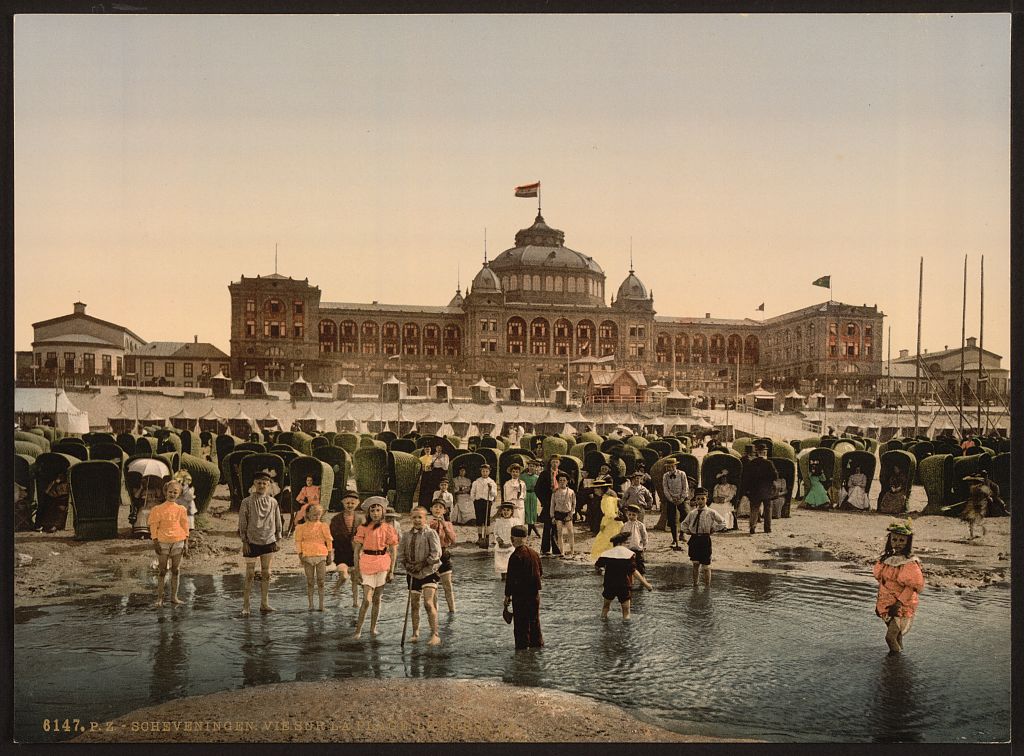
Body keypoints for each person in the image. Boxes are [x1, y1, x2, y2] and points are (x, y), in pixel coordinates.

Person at [873, 519, 925, 654]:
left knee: (889, 638)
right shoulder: (886, 560)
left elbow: (911, 587)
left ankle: (894, 665)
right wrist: (878, 603)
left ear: (908, 542)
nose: (898, 543)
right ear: (890, 540)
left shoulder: (909, 563)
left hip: (901, 603)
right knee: (897, 636)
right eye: (894, 540)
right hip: (886, 601)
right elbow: (882, 582)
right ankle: (900, 659)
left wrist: (898, 604)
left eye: (902, 541)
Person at [352, 496, 399, 639]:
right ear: (369, 513)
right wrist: (356, 570)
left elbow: (393, 549)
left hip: (382, 563)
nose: (375, 513)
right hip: (366, 563)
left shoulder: (388, 528)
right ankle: (358, 631)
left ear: (382, 512)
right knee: (366, 600)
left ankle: (373, 629)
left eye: (378, 510)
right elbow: (356, 551)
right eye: (372, 510)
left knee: (377, 599)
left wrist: (391, 570)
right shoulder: (363, 528)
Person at [238, 470, 284, 616]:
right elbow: (242, 522)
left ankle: (264, 603)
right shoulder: (246, 502)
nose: (262, 485)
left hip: (269, 540)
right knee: (250, 574)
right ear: (254, 484)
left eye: (265, 483)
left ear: (269, 485)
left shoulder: (273, 501)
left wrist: (278, 537)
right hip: (251, 541)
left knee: (267, 573)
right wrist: (244, 541)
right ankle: (246, 605)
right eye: (259, 483)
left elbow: (278, 521)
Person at [399, 506, 443, 645]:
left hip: (429, 571)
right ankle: (415, 633)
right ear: (411, 518)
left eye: (420, 517)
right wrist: (407, 565)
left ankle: (435, 634)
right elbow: (401, 554)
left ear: (425, 519)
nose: (417, 520)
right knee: (414, 604)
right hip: (412, 573)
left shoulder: (431, 533)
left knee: (428, 603)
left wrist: (422, 564)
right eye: (414, 517)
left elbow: (436, 554)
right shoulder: (406, 535)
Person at [149, 479, 190, 607]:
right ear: (165, 492)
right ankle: (160, 598)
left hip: (178, 542)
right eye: (170, 492)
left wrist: (186, 542)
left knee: (176, 570)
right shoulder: (157, 509)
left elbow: (185, 525)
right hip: (163, 542)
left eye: (175, 492)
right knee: (162, 571)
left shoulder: (181, 509)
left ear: (178, 494)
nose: (172, 494)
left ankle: (174, 597)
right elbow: (153, 526)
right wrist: (155, 541)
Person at [596, 531, 653, 620]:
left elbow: (598, 565)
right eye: (626, 543)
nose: (627, 545)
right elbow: (634, 571)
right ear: (620, 543)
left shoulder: (606, 554)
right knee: (626, 613)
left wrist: (602, 572)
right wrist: (647, 585)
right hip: (624, 586)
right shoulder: (629, 554)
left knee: (605, 609)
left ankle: (605, 629)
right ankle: (626, 633)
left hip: (609, 585)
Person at [504, 525, 544, 650]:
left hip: (520, 596)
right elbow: (541, 572)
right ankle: (537, 647)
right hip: (534, 594)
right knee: (534, 622)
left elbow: (510, 579)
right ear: (526, 538)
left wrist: (507, 596)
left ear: (512, 539)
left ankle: (521, 652)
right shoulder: (534, 554)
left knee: (521, 625)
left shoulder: (515, 556)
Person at [681, 487, 729, 587]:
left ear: (707, 499)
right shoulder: (692, 513)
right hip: (694, 540)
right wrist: (688, 531)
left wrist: (714, 528)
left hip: (705, 539)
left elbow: (723, 522)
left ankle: (707, 588)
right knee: (695, 564)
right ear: (695, 500)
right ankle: (695, 585)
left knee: (706, 566)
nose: (700, 501)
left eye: (703, 499)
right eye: (698, 499)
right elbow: (683, 524)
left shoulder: (711, 512)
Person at [294, 504, 333, 611]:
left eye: (319, 514)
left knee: (321, 581)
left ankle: (321, 605)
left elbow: (328, 540)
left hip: (321, 555)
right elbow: (298, 542)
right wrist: (300, 554)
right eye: (314, 514)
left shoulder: (323, 526)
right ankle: (310, 605)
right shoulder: (300, 527)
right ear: (308, 514)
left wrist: (330, 555)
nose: (316, 516)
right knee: (310, 581)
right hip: (307, 555)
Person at [329, 490, 362, 607]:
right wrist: (329, 553)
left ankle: (355, 602)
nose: (350, 505)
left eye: (352, 503)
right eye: (348, 503)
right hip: (341, 553)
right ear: (343, 503)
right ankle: (336, 588)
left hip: (355, 553)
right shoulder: (336, 519)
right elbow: (330, 537)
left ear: (357, 504)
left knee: (355, 579)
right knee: (344, 575)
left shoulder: (360, 519)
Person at [741, 440, 778, 533]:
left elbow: (746, 478)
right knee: (768, 509)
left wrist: (747, 490)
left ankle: (752, 527)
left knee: (754, 509)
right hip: (767, 491)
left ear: (757, 452)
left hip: (754, 491)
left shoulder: (751, 463)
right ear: (765, 452)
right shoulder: (769, 463)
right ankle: (767, 528)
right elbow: (775, 476)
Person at [429, 498, 457, 612]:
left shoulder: (448, 524)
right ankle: (434, 613)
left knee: (448, 586)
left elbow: (453, 539)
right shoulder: (428, 523)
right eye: (435, 507)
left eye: (440, 507)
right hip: (431, 556)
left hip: (444, 554)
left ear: (444, 511)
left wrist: (443, 525)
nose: (437, 509)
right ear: (431, 509)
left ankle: (452, 611)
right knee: (434, 587)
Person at [535, 456, 563, 556]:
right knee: (547, 526)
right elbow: (537, 489)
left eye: (557, 462)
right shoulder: (544, 474)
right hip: (548, 503)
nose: (555, 464)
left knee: (557, 526)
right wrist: (544, 501)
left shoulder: (562, 474)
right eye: (553, 462)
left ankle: (556, 549)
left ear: (559, 463)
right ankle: (545, 549)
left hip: (559, 504)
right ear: (550, 463)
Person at [589, 482, 621, 565]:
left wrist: (603, 524)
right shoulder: (608, 498)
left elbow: (610, 514)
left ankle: (604, 562)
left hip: (611, 524)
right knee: (608, 543)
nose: (595, 491)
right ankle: (609, 561)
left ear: (601, 489)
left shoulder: (607, 499)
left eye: (596, 489)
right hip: (614, 522)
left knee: (602, 543)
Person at [661, 457, 689, 550]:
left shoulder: (682, 474)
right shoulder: (665, 476)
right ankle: (674, 539)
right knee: (672, 519)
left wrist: (681, 498)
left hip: (681, 498)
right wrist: (671, 499)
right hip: (671, 499)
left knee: (685, 514)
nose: (670, 468)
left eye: (672, 466)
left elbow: (685, 487)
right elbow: (665, 489)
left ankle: (682, 533)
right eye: (669, 467)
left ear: (675, 465)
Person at [471, 464, 498, 548]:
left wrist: (490, 489)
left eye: (486, 471)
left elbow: (494, 494)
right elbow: (473, 492)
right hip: (478, 501)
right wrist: (474, 499)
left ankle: (486, 538)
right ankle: (480, 538)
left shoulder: (492, 482)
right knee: (479, 520)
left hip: (487, 502)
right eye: (483, 471)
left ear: (489, 472)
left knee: (487, 520)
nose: (485, 473)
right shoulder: (476, 481)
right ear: (481, 471)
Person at [550, 472, 577, 556]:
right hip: (558, 514)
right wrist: (552, 516)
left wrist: (572, 513)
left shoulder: (571, 492)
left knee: (570, 532)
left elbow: (574, 503)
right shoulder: (555, 492)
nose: (562, 482)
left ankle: (572, 550)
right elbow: (552, 504)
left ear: (567, 481)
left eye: (564, 480)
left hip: (568, 513)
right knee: (559, 532)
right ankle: (562, 551)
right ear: (558, 481)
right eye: (560, 480)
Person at [619, 503, 648, 575]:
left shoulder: (640, 525)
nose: (631, 517)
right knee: (629, 566)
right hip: (628, 548)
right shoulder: (625, 525)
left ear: (637, 515)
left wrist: (644, 545)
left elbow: (644, 536)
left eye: (634, 515)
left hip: (638, 548)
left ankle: (642, 579)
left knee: (640, 564)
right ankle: (630, 580)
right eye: (630, 514)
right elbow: (622, 536)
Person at [419, 442, 450, 508]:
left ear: (442, 448)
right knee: (433, 490)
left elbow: (445, 467)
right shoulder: (433, 456)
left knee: (441, 489)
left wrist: (440, 459)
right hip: (434, 474)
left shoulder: (445, 456)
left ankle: (442, 505)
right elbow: (432, 465)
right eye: (437, 447)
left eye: (440, 447)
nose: (438, 449)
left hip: (442, 473)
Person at [492, 501, 517, 578]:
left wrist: (510, 543)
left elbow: (515, 534)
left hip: (510, 546)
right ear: (501, 511)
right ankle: (502, 580)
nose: (506, 512)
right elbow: (495, 533)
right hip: (500, 546)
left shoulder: (514, 521)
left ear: (512, 511)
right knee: (502, 568)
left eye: (508, 510)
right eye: (504, 510)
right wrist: (499, 540)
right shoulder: (498, 521)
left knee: (509, 567)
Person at [521, 459, 542, 539]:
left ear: (536, 468)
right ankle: (536, 532)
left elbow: (539, 488)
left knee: (532, 513)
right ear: (528, 467)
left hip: (533, 495)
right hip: (526, 495)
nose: (531, 468)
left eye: (533, 466)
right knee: (527, 513)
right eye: (530, 466)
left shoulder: (537, 477)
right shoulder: (523, 476)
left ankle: (529, 533)